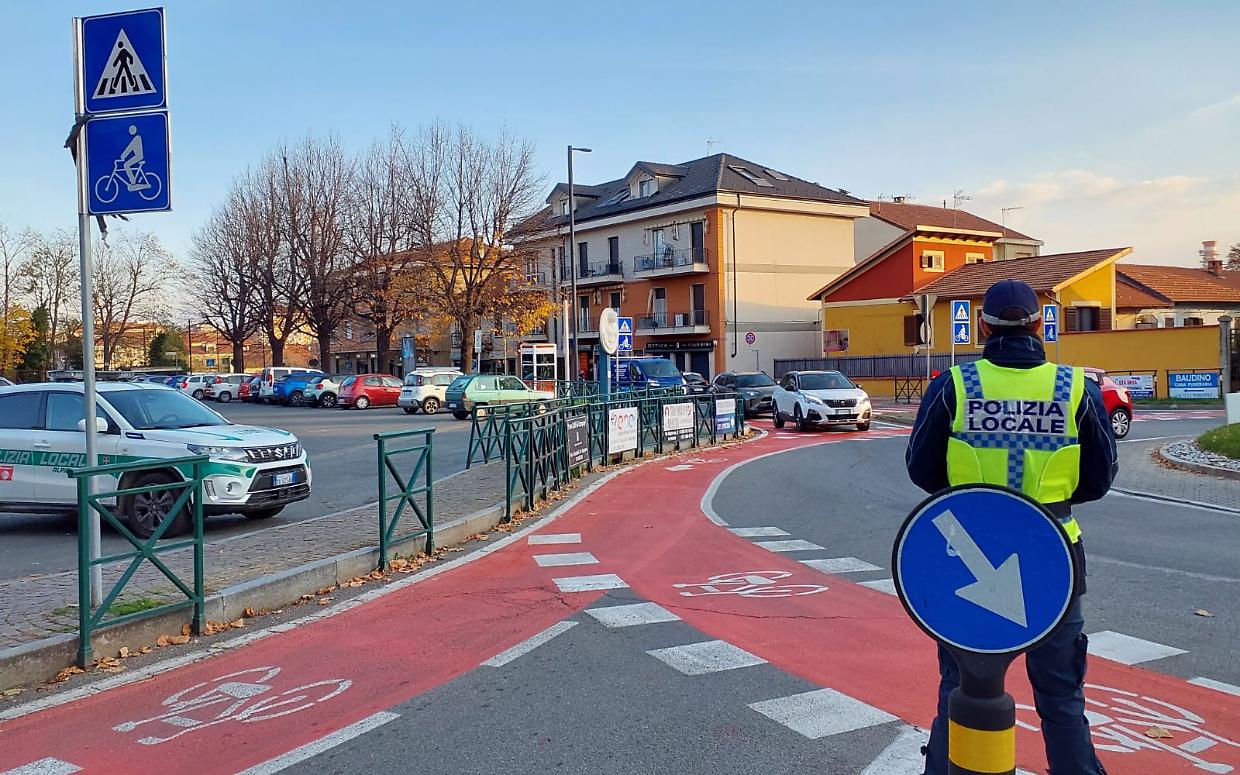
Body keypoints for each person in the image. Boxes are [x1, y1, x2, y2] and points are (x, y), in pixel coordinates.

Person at [905, 279, 1117, 775]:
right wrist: (1047, 505)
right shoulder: (1074, 389)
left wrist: (972, 501)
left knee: (959, 686)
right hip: (1055, 559)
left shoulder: (954, 387)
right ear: (1039, 324)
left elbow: (921, 469)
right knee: (1062, 697)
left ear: (983, 325)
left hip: (968, 563)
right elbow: (1100, 478)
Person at [118, 125, 149, 191]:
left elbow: (130, 148)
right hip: (137, 156)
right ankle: (133, 181)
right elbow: (130, 148)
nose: (130, 131)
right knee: (127, 165)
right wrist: (123, 156)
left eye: (131, 130)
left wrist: (123, 156)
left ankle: (133, 183)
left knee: (126, 165)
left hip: (138, 156)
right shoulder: (136, 138)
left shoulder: (137, 138)